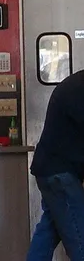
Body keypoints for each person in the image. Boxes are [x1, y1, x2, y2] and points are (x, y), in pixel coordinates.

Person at [27, 70, 84, 261]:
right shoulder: (78, 90)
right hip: (59, 174)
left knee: (49, 232)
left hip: (52, 170)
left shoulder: (76, 83)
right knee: (79, 238)